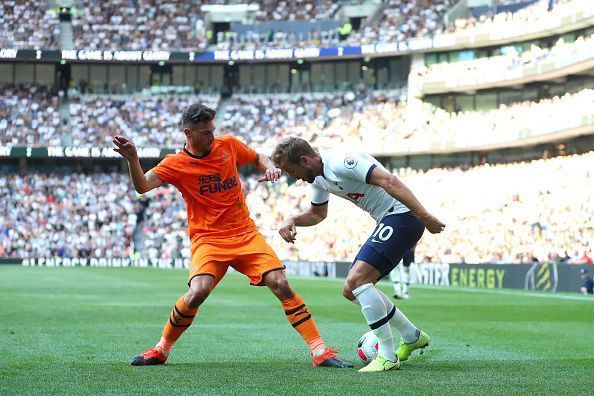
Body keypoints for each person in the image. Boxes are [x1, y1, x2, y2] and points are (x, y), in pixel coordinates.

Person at [113, 104, 352, 368]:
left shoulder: (227, 145)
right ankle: (161, 349)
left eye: (213, 130)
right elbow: (143, 186)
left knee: (281, 283)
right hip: (208, 239)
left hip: (245, 234)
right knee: (197, 292)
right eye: (206, 132)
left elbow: (257, 157)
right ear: (188, 133)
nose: (212, 136)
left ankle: (320, 351)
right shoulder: (175, 164)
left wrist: (269, 167)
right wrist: (132, 158)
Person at [271, 137, 445, 372]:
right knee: (351, 289)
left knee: (357, 281)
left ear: (304, 160)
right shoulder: (318, 179)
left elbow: (389, 180)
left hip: (403, 216)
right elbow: (317, 214)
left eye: (292, 171)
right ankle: (412, 336)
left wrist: (424, 216)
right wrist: (293, 219)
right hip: (389, 219)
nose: (294, 178)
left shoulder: (342, 161)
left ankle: (387, 355)